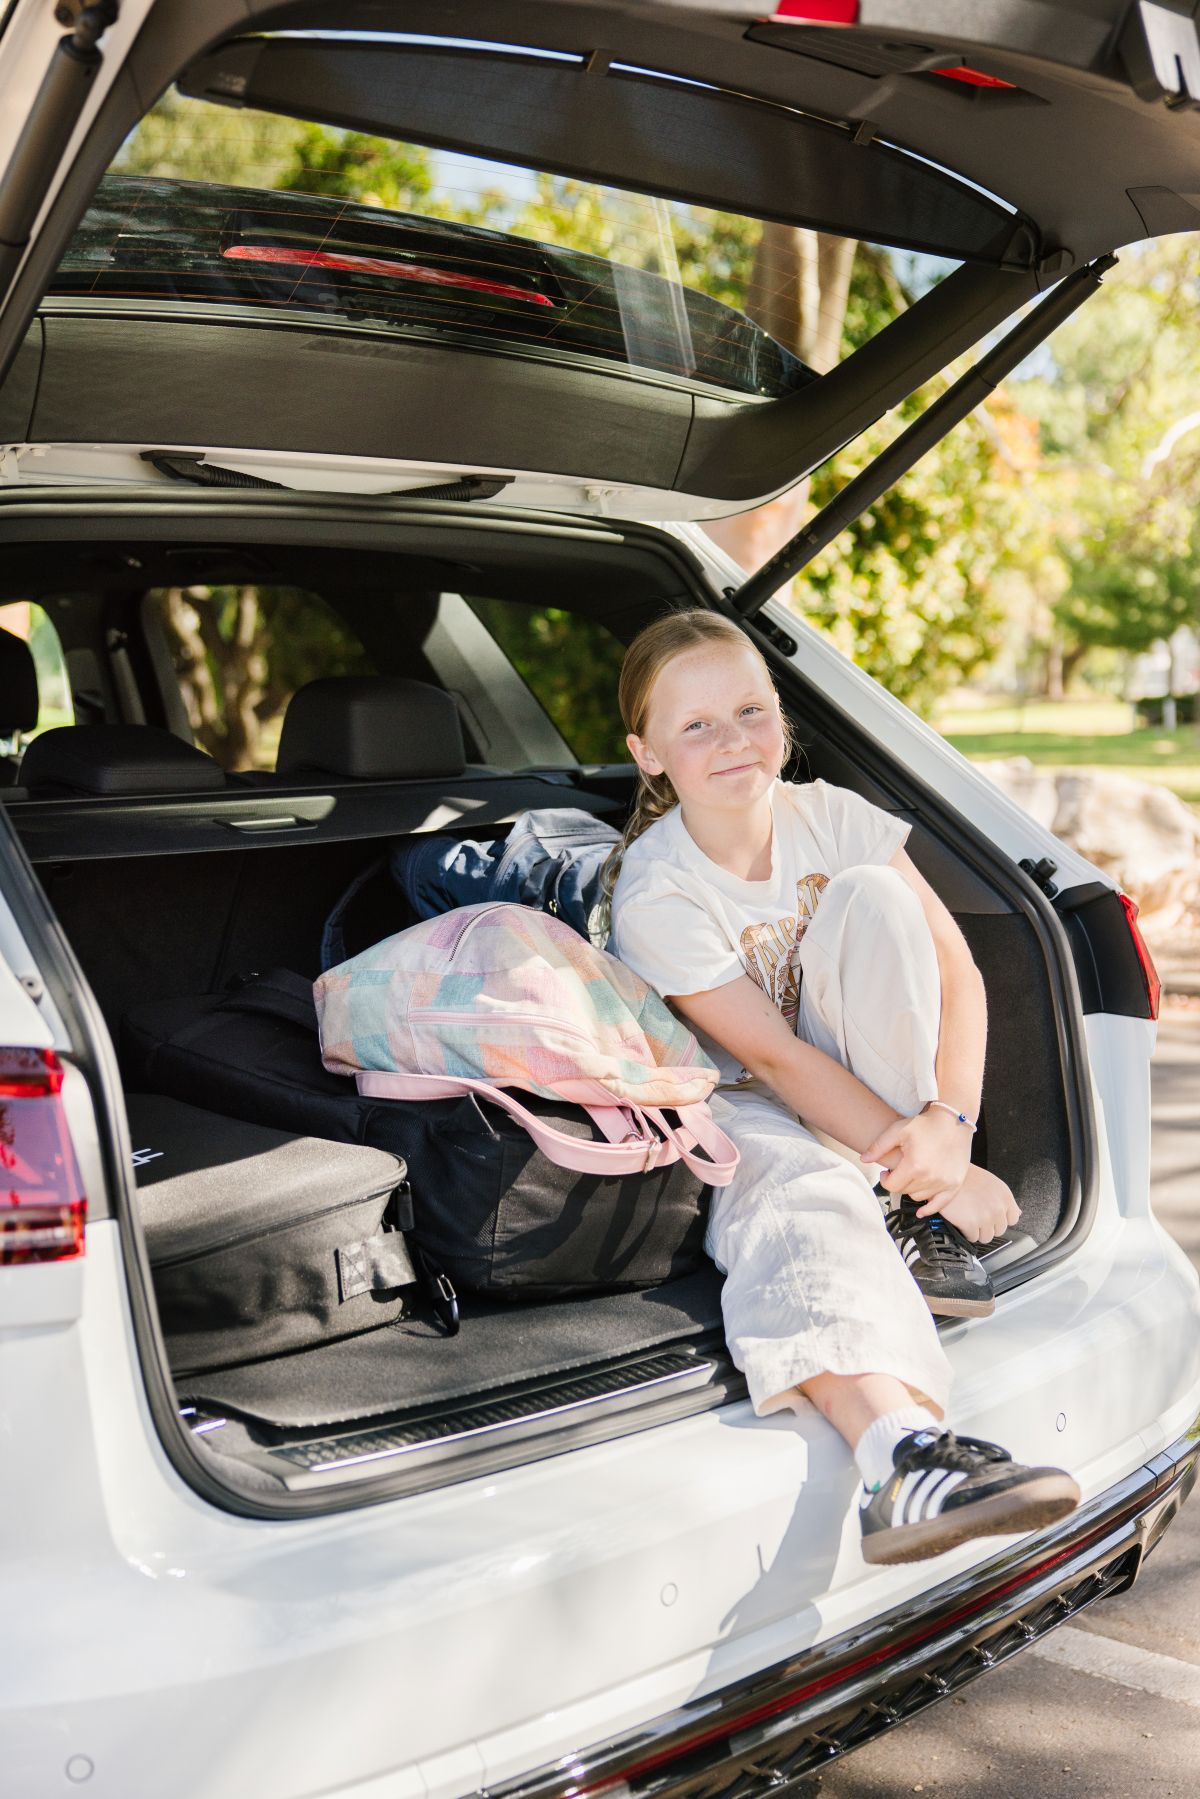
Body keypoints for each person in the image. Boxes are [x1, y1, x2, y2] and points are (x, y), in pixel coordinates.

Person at [603, 609, 1080, 1565]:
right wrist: (937, 1175)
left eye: (750, 709)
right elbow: (774, 1059)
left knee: (875, 898)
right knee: (796, 1195)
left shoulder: (834, 815)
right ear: (646, 754)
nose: (733, 739)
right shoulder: (656, 890)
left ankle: (902, 1209)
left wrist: (952, 1126)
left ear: (782, 715)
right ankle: (902, 1456)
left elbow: (957, 973)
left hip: (879, 1096)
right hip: (737, 1094)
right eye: (694, 725)